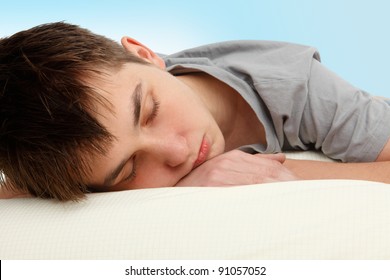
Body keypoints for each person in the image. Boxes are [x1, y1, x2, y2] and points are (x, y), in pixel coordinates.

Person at [0, 22, 389, 201]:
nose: (178, 151)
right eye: (129, 169)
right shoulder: (68, 154)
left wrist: (273, 173)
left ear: (145, 55)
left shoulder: (293, 82)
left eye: (150, 111)